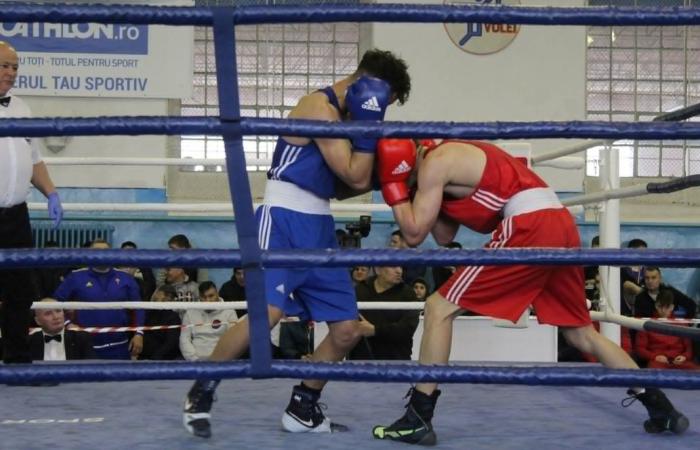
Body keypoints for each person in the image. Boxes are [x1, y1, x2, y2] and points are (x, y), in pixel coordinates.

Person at [370, 139, 688, 445]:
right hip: (559, 224)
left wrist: (395, 191)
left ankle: (418, 417)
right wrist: (412, 190)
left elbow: (413, 233)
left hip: (529, 224)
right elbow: (443, 235)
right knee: (581, 334)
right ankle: (661, 408)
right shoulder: (447, 158)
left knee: (438, 308)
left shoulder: (435, 163)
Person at [182, 48, 411, 439]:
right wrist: (371, 140)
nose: (377, 111)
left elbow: (342, 187)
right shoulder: (318, 107)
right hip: (282, 221)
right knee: (266, 315)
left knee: (347, 330)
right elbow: (355, 175)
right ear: (367, 86)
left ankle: (303, 406)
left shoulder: (344, 120)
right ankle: (202, 389)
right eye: (381, 102)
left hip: (319, 227)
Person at [0, 40, 63, 364]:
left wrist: (51, 192)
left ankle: (17, 361)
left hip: (16, 215)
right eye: (4, 65)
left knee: (20, 290)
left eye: (15, 67)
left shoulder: (22, 108)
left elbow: (34, 160)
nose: (11, 72)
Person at [53, 239, 144, 360]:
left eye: (105, 251)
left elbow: (139, 308)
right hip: (85, 347)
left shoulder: (126, 278)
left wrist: (139, 333)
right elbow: (55, 303)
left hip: (120, 346)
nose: (102, 255)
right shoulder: (75, 277)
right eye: (97, 251)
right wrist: (67, 323)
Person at [349, 266, 419, 360]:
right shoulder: (360, 290)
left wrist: (375, 330)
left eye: (400, 266)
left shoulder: (408, 293)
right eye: (393, 266)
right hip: (360, 359)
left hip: (395, 359)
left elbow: (407, 328)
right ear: (378, 269)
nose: (399, 271)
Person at [634, 290, 699, 370]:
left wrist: (684, 356)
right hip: (657, 363)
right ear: (656, 306)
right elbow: (640, 349)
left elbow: (689, 348)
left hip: (680, 362)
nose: (663, 310)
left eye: (667, 307)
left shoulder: (682, 324)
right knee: (653, 370)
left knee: (697, 371)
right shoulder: (647, 324)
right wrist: (655, 357)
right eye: (660, 306)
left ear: (672, 307)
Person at [179, 281, 238, 361]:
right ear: (199, 297)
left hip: (222, 360)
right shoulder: (190, 312)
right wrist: (194, 359)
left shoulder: (229, 311)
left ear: (217, 294)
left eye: (211, 296)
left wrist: (223, 359)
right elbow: (184, 339)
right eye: (203, 297)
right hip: (196, 360)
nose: (208, 300)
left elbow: (233, 339)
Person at [30, 298, 95, 361]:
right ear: (38, 321)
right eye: (48, 313)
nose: (56, 317)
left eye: (58, 311)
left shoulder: (82, 339)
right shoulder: (30, 342)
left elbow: (91, 367)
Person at [139, 284, 182, 361]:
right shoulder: (146, 312)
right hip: (143, 357)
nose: (168, 298)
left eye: (171, 297)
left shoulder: (173, 317)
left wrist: (154, 359)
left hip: (163, 360)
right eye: (166, 294)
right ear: (157, 293)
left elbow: (171, 343)